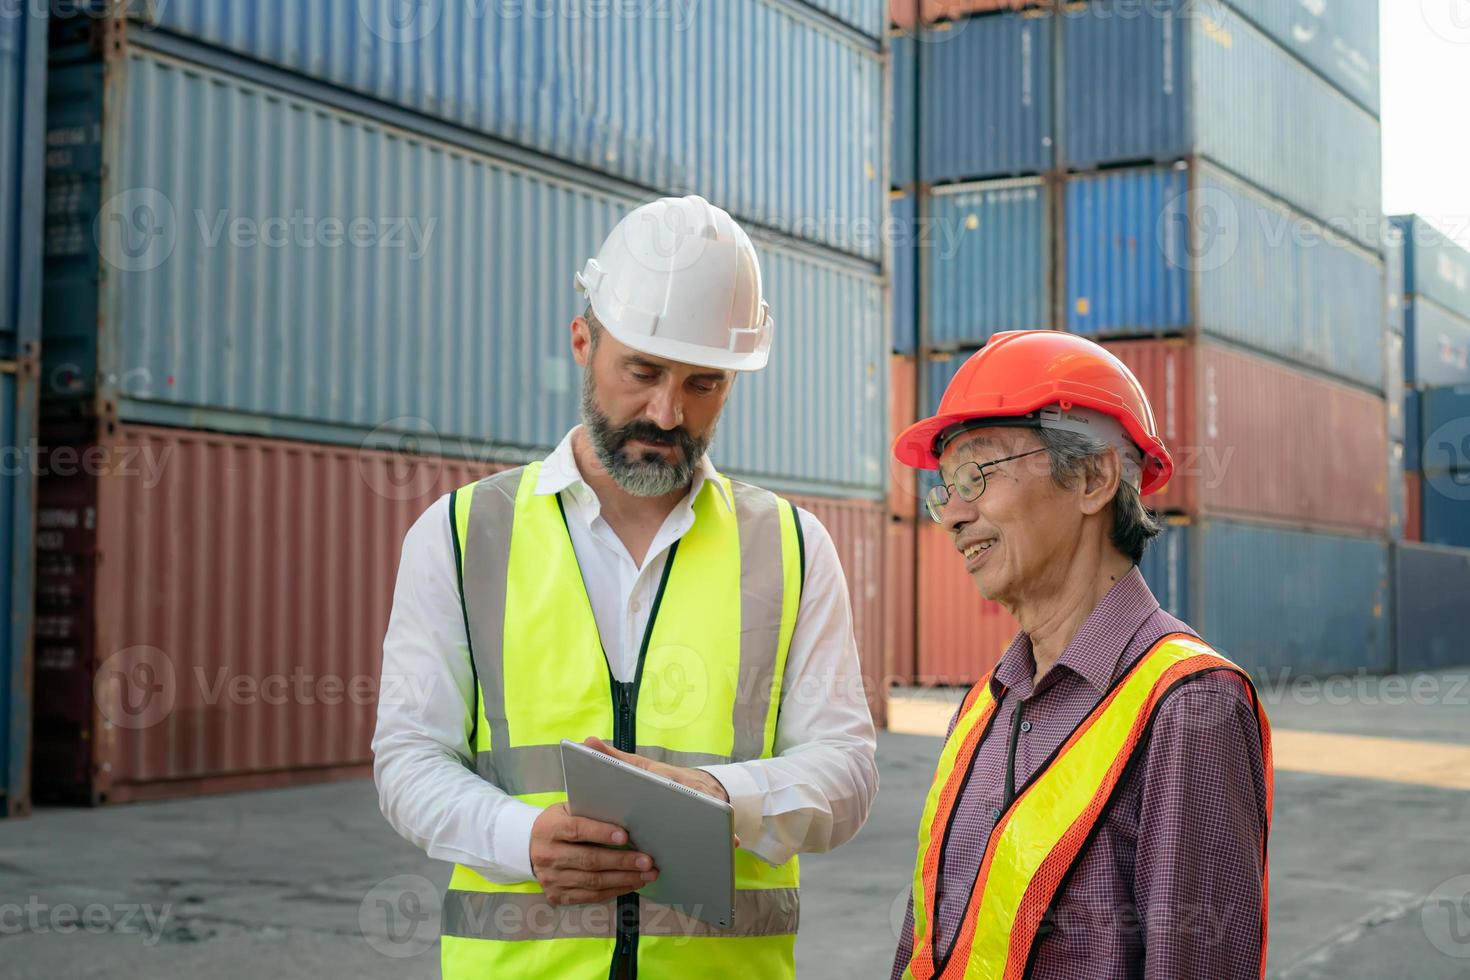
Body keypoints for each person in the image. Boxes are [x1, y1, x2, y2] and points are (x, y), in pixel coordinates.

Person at [372, 194, 878, 979]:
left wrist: (716, 794)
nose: (667, 411)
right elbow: (409, 759)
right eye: (642, 371)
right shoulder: (462, 534)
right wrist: (520, 839)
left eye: (705, 384)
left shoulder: (792, 547)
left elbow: (844, 773)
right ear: (583, 341)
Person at [888, 331, 1273, 980]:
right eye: (942, 489)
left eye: (975, 475)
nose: (950, 515)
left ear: (1093, 476)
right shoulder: (985, 704)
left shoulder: (1190, 706)